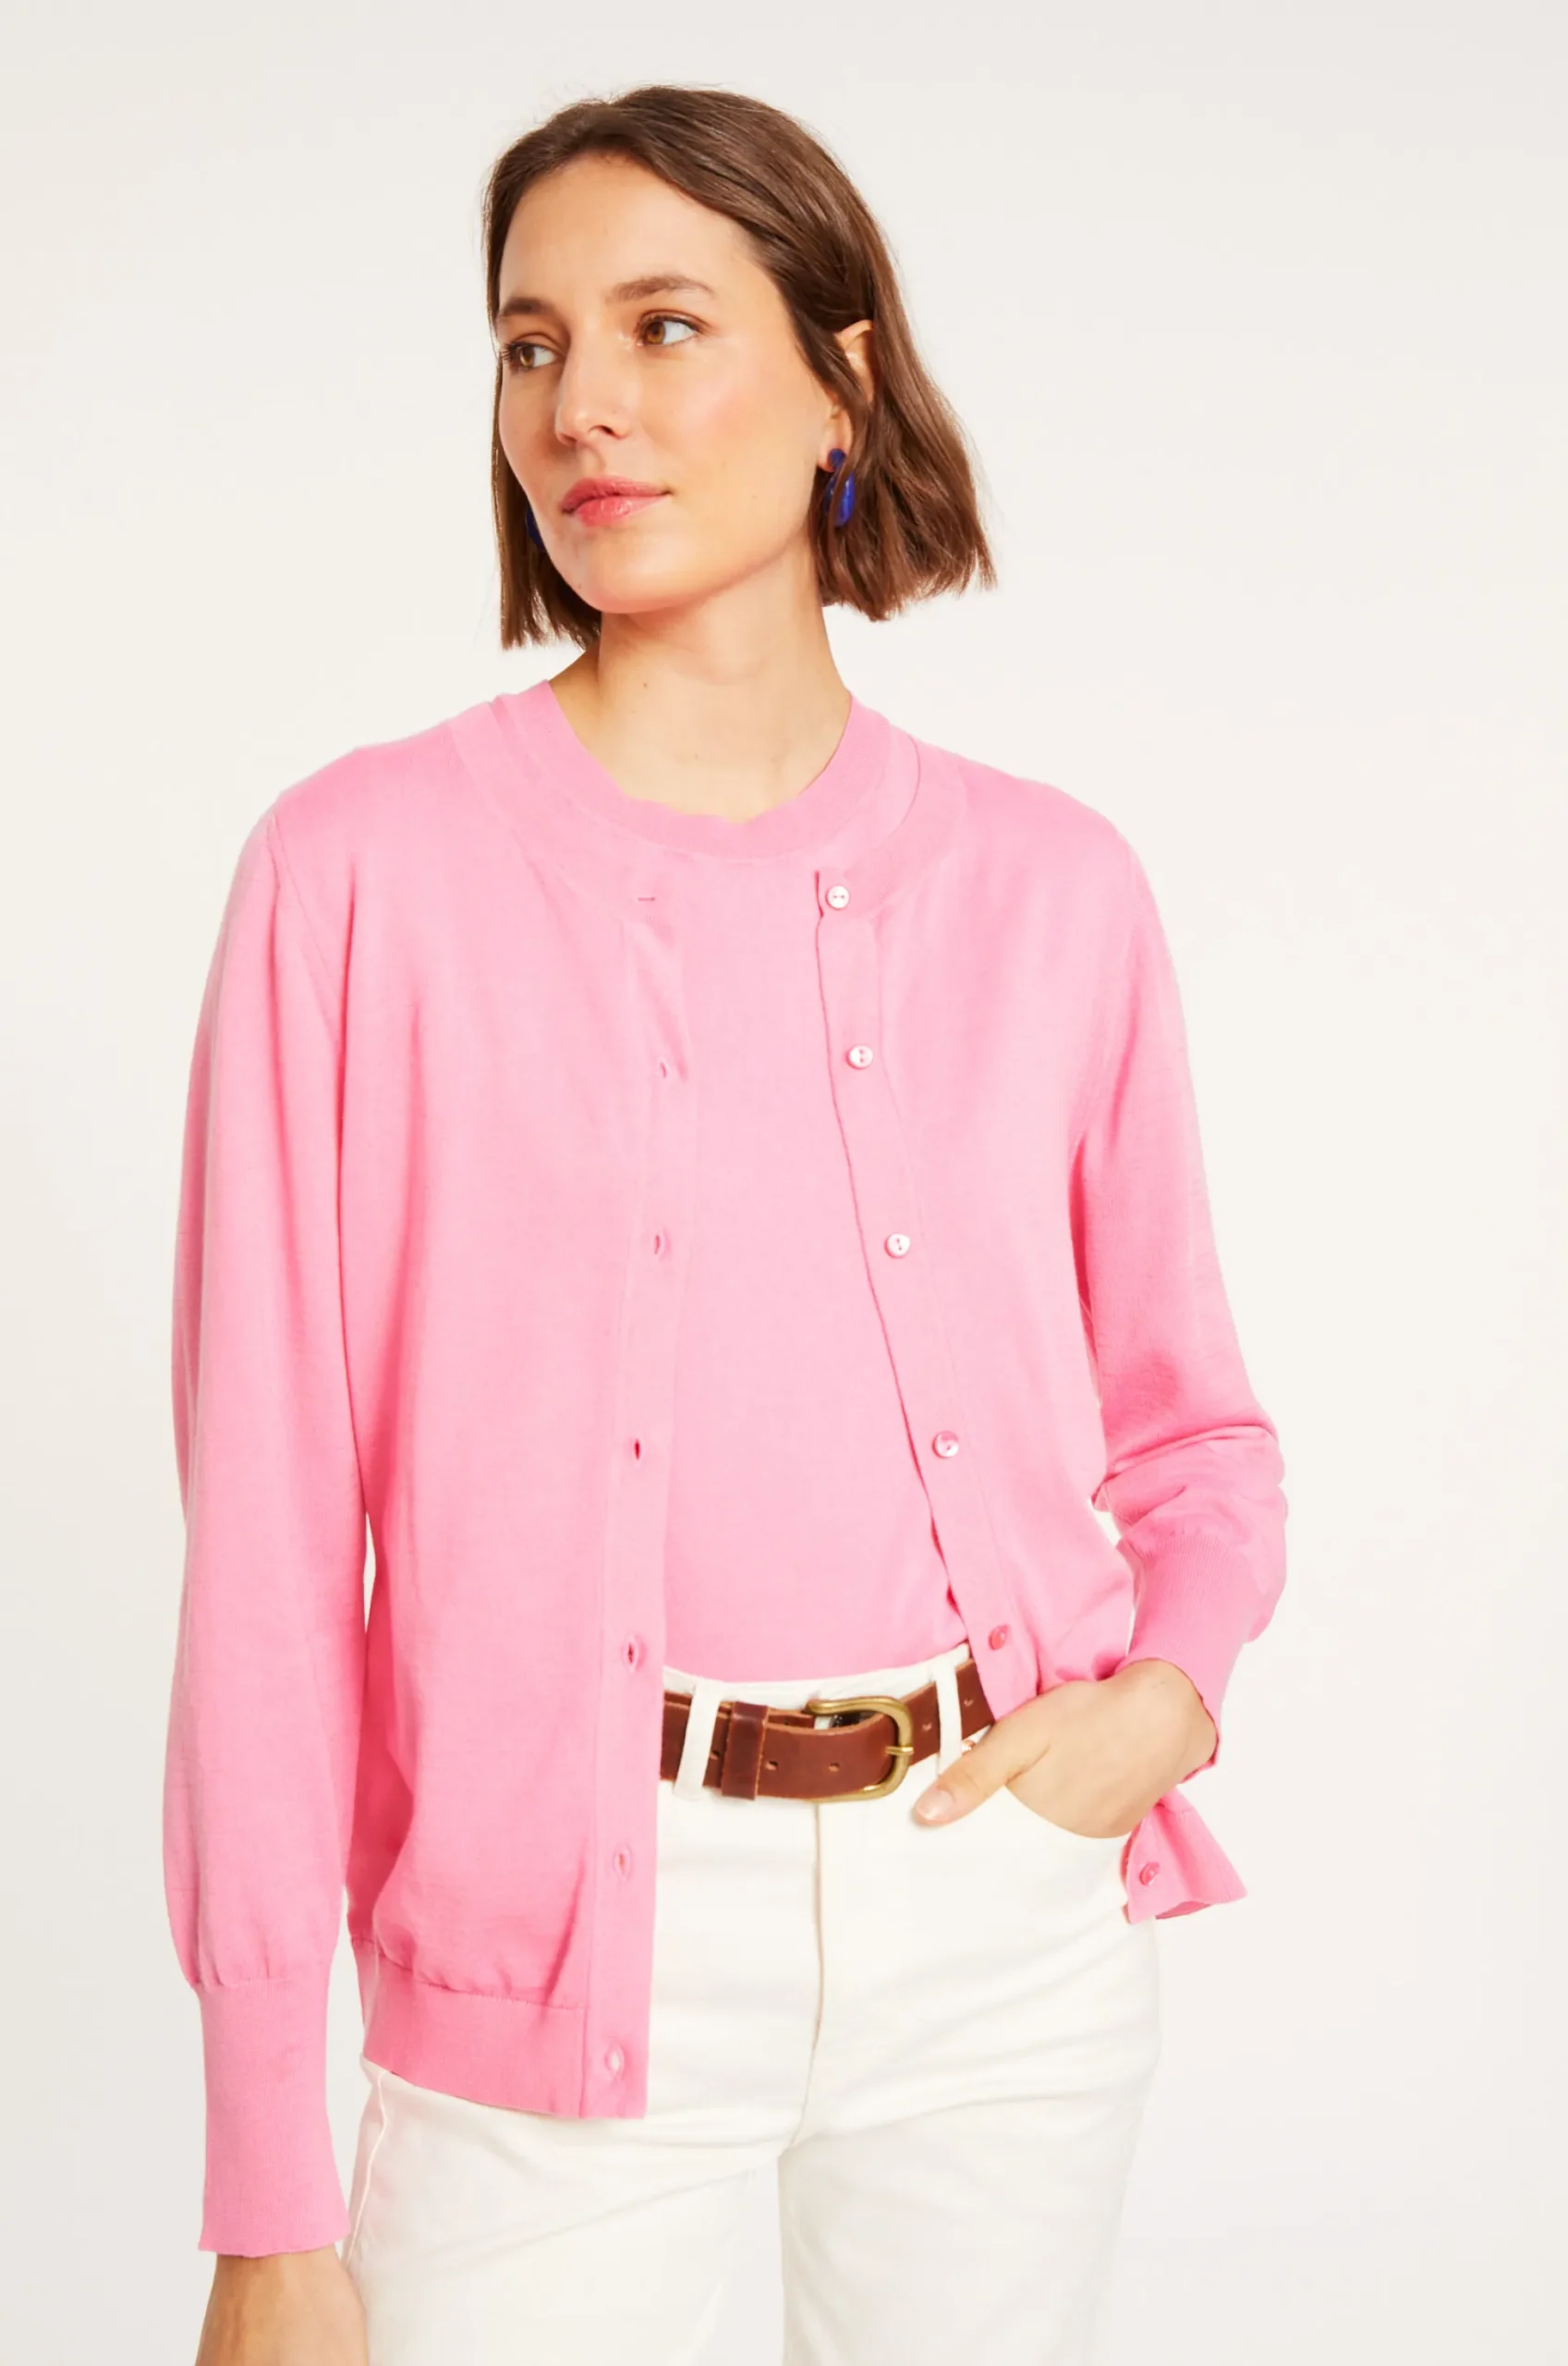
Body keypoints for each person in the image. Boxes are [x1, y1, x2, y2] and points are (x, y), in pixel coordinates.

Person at [165, 82, 1288, 2366]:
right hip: (558, 1939)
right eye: (529, 343)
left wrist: (1159, 1704)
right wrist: (268, 2184)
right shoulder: (355, 876)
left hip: (1001, 1913)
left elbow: (1197, 1437)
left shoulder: (1054, 887)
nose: (579, 402)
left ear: (840, 379)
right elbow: (272, 1554)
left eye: (663, 325)